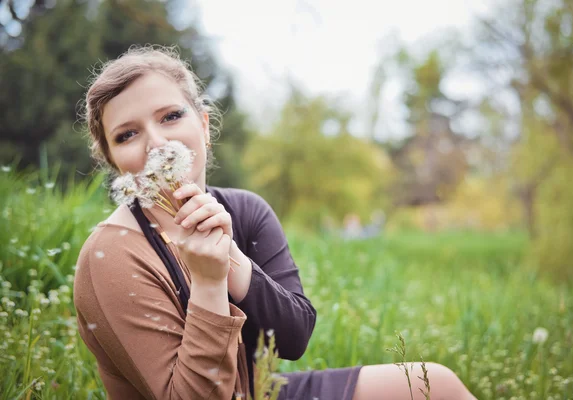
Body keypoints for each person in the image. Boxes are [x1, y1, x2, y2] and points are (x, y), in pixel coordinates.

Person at [73, 45, 477, 400]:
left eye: (171, 116)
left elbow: (294, 338)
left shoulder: (246, 211)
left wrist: (231, 260)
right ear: (113, 162)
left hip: (261, 391)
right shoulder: (112, 256)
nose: (156, 142)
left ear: (204, 125)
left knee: (435, 385)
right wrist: (210, 283)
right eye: (126, 135)